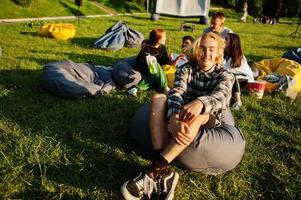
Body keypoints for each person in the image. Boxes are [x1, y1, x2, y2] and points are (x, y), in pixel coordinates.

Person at [121, 32, 246, 200]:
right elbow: (176, 93)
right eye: (202, 48)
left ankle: (153, 171)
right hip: (184, 110)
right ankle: (161, 170)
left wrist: (200, 103)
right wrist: (173, 119)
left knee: (196, 117)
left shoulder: (225, 75)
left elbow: (222, 97)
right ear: (196, 50)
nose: (206, 53)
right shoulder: (186, 69)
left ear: (218, 53)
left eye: (211, 50)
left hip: (212, 116)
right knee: (158, 98)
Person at [128, 29, 173, 96]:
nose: (166, 38)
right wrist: (148, 62)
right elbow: (139, 62)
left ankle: (134, 89)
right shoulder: (146, 48)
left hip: (156, 70)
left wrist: (169, 58)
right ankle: (165, 87)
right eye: (164, 37)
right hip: (145, 69)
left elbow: (165, 62)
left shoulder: (162, 48)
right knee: (155, 65)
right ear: (158, 39)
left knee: (152, 79)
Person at [224, 33, 254, 110]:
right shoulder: (225, 55)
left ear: (232, 43)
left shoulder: (238, 56)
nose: (223, 40)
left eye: (226, 39)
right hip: (234, 79)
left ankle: (238, 101)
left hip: (246, 80)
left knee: (231, 76)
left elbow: (226, 70)